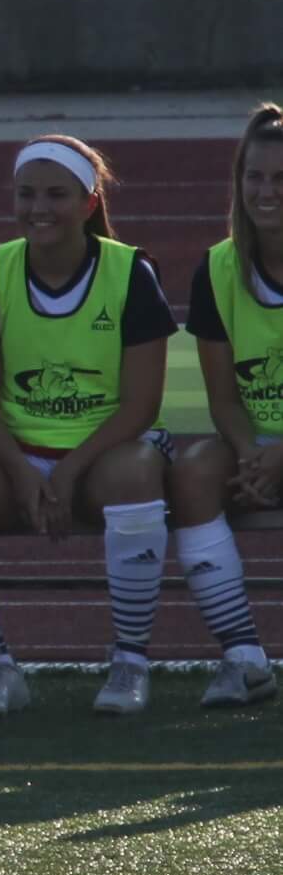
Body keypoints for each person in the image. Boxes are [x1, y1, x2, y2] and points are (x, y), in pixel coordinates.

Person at [0, 135, 176, 717]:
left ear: (88, 201)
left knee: (137, 476)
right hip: (16, 453)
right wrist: (22, 472)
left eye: (57, 194)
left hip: (104, 452)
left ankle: (130, 662)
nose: (39, 207)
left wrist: (70, 470)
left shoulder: (130, 273)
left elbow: (140, 405)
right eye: (26, 193)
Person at [171, 103, 283, 708]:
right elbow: (222, 395)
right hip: (254, 446)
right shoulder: (217, 267)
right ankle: (243, 658)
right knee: (190, 472)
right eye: (255, 177)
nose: (265, 192)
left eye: (281, 180)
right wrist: (251, 455)